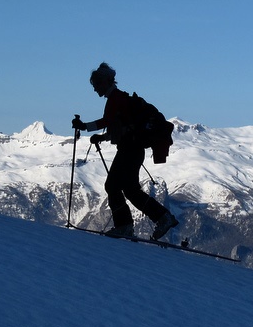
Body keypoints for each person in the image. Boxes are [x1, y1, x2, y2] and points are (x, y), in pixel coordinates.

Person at [72, 62, 179, 240]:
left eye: (97, 84)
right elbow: (121, 127)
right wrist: (103, 137)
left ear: (106, 82)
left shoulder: (115, 99)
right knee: (130, 189)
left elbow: (106, 122)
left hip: (129, 150)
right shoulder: (120, 99)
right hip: (133, 150)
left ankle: (126, 226)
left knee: (113, 186)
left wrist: (84, 127)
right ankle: (160, 217)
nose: (95, 89)